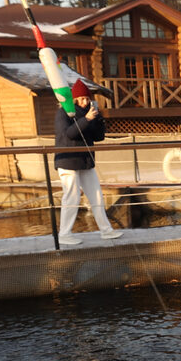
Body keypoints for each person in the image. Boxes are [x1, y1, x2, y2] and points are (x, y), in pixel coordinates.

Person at [54, 79, 121, 244]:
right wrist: (87, 119)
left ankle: (106, 230)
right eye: (82, 98)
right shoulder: (64, 113)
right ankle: (64, 234)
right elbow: (69, 133)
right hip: (67, 161)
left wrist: (98, 119)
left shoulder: (89, 113)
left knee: (96, 195)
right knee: (72, 196)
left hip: (85, 161)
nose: (85, 101)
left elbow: (99, 137)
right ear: (75, 99)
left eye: (87, 98)